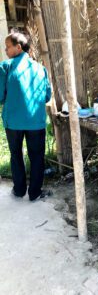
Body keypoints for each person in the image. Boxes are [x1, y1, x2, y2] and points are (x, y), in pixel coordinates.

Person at [0, 32, 52, 201]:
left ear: (18, 47)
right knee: (37, 156)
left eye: (8, 47)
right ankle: (35, 192)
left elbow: (0, 96)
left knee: (16, 155)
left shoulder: (5, 67)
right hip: (35, 122)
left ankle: (19, 190)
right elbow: (47, 96)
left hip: (13, 121)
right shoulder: (40, 68)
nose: (6, 50)